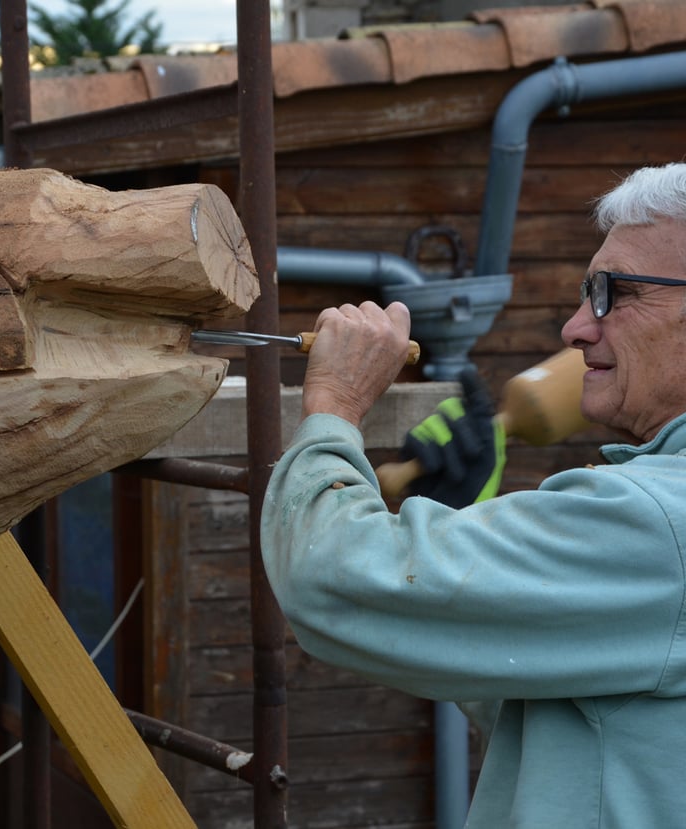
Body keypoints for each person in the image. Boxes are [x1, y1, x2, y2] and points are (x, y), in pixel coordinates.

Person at [260, 162, 686, 828]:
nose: (576, 327)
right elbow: (545, 711)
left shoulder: (658, 521)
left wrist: (335, 405)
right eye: (587, 293)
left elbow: (329, 578)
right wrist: (457, 522)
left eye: (617, 292)